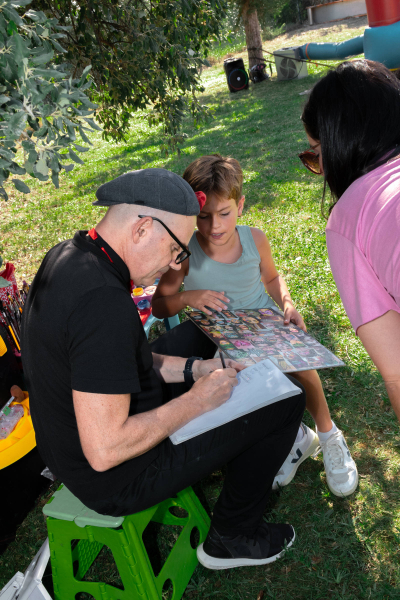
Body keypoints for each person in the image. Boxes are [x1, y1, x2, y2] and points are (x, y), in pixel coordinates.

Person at [21, 168, 306, 571]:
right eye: (177, 249)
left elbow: (128, 359)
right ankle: (232, 536)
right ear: (141, 230)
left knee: (202, 334)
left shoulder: (70, 256)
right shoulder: (103, 305)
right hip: (116, 476)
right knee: (287, 402)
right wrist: (196, 402)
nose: (176, 262)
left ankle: (218, 399)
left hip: (78, 440)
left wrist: (197, 369)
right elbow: (105, 451)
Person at [152, 155, 358, 497]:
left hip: (265, 324)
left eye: (224, 213)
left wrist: (287, 304)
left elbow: (273, 278)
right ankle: (296, 440)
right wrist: (189, 298)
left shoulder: (254, 239)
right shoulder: (185, 254)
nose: (214, 226)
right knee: (243, 398)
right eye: (203, 217)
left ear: (241, 206)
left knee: (301, 368)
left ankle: (329, 434)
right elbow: (160, 304)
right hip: (224, 340)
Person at [300, 59, 400, 423]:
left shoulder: (349, 217)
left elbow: (398, 373)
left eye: (316, 154)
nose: (321, 169)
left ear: (339, 145)